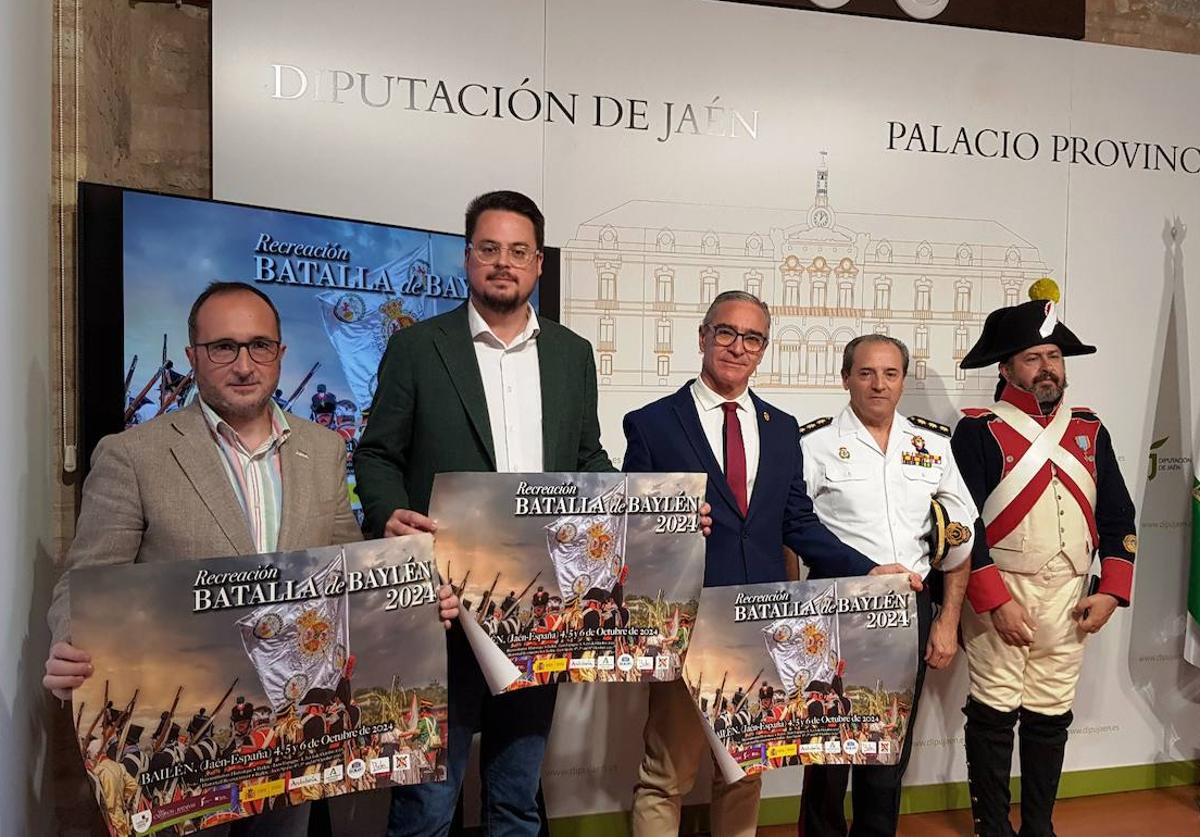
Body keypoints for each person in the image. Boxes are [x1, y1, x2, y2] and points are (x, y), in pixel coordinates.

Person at [42, 281, 459, 837]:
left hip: (290, 729)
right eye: (224, 348)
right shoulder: (133, 455)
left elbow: (343, 565)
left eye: (260, 346)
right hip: (194, 734)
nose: (244, 364)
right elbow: (87, 580)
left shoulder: (324, 449)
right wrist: (72, 639)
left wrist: (412, 594)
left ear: (280, 355)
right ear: (193, 357)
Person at [354, 190, 616, 837]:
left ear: (538, 265)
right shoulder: (418, 348)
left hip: (536, 609)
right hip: (440, 605)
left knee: (516, 797)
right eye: (490, 248)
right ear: (468, 257)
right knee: (427, 805)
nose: (504, 262)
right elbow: (378, 454)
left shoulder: (570, 353)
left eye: (518, 251)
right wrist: (388, 515)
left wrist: (655, 515)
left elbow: (588, 457)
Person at [621, 291, 915, 837]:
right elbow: (631, 527)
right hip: (687, 623)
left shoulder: (781, 427)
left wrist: (865, 568)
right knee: (667, 776)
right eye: (726, 333)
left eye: (751, 338)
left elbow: (797, 523)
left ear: (764, 350)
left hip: (764, 622)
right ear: (703, 336)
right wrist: (666, 526)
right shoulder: (652, 423)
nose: (737, 347)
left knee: (744, 770)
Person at [952, 285, 1136, 837]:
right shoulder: (978, 430)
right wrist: (993, 600)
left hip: (1070, 593)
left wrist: (1110, 589)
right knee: (993, 713)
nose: (1047, 367)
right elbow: (963, 529)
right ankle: (993, 827)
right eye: (1033, 358)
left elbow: (1120, 519)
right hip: (1001, 592)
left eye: (1053, 355)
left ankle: (1038, 826)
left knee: (1050, 713)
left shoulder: (1088, 429)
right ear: (1006, 367)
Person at [796, 334, 980, 836]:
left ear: (903, 381)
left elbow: (960, 537)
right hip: (832, 612)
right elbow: (790, 532)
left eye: (890, 374)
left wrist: (946, 620)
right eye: (866, 373)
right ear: (845, 378)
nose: (879, 384)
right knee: (828, 752)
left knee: (887, 750)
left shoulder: (933, 445)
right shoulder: (813, 445)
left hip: (909, 611)